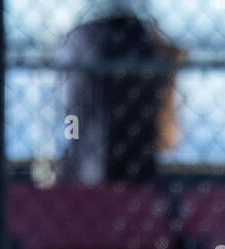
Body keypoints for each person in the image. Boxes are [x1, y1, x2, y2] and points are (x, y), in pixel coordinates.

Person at [57, 2, 185, 185]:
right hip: (132, 175)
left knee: (78, 121)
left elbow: (72, 114)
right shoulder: (145, 42)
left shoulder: (79, 40)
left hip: (87, 37)